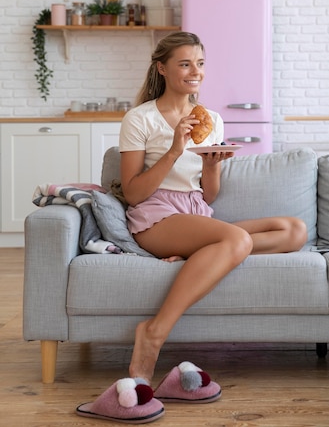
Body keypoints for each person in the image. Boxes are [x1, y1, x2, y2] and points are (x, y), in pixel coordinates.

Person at [76, 31, 307, 423]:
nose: (194, 71)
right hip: (155, 216)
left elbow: (208, 196)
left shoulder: (211, 120)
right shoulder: (141, 119)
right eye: (184, 64)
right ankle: (152, 332)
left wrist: (213, 165)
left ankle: (200, 251)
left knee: (295, 230)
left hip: (195, 213)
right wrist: (174, 150)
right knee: (234, 238)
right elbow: (133, 193)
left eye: (199, 63)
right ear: (162, 68)